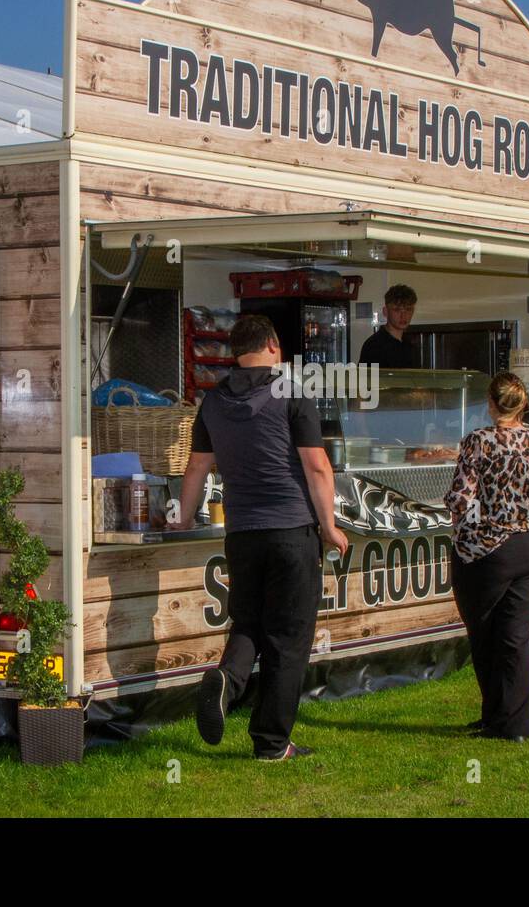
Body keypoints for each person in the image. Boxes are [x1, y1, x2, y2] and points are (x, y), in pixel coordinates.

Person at [171, 315, 350, 761]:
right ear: (272, 345)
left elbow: (196, 468)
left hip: (242, 534)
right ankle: (271, 743)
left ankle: (227, 681)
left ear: (236, 350)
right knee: (288, 638)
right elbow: (317, 466)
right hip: (291, 531)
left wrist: (182, 517)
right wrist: (329, 526)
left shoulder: (213, 402)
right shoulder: (291, 392)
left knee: (249, 622)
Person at [444, 372, 529, 742]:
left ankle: (496, 717)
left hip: (486, 551)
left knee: (484, 636)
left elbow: (459, 500)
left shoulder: (477, 442)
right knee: (515, 639)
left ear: (490, 402)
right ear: (523, 404)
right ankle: (512, 724)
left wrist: (473, 515)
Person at [358, 284, 419, 368]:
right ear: (385, 311)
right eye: (397, 310)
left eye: (408, 309)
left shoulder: (410, 344)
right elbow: (365, 380)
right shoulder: (374, 346)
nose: (403, 316)